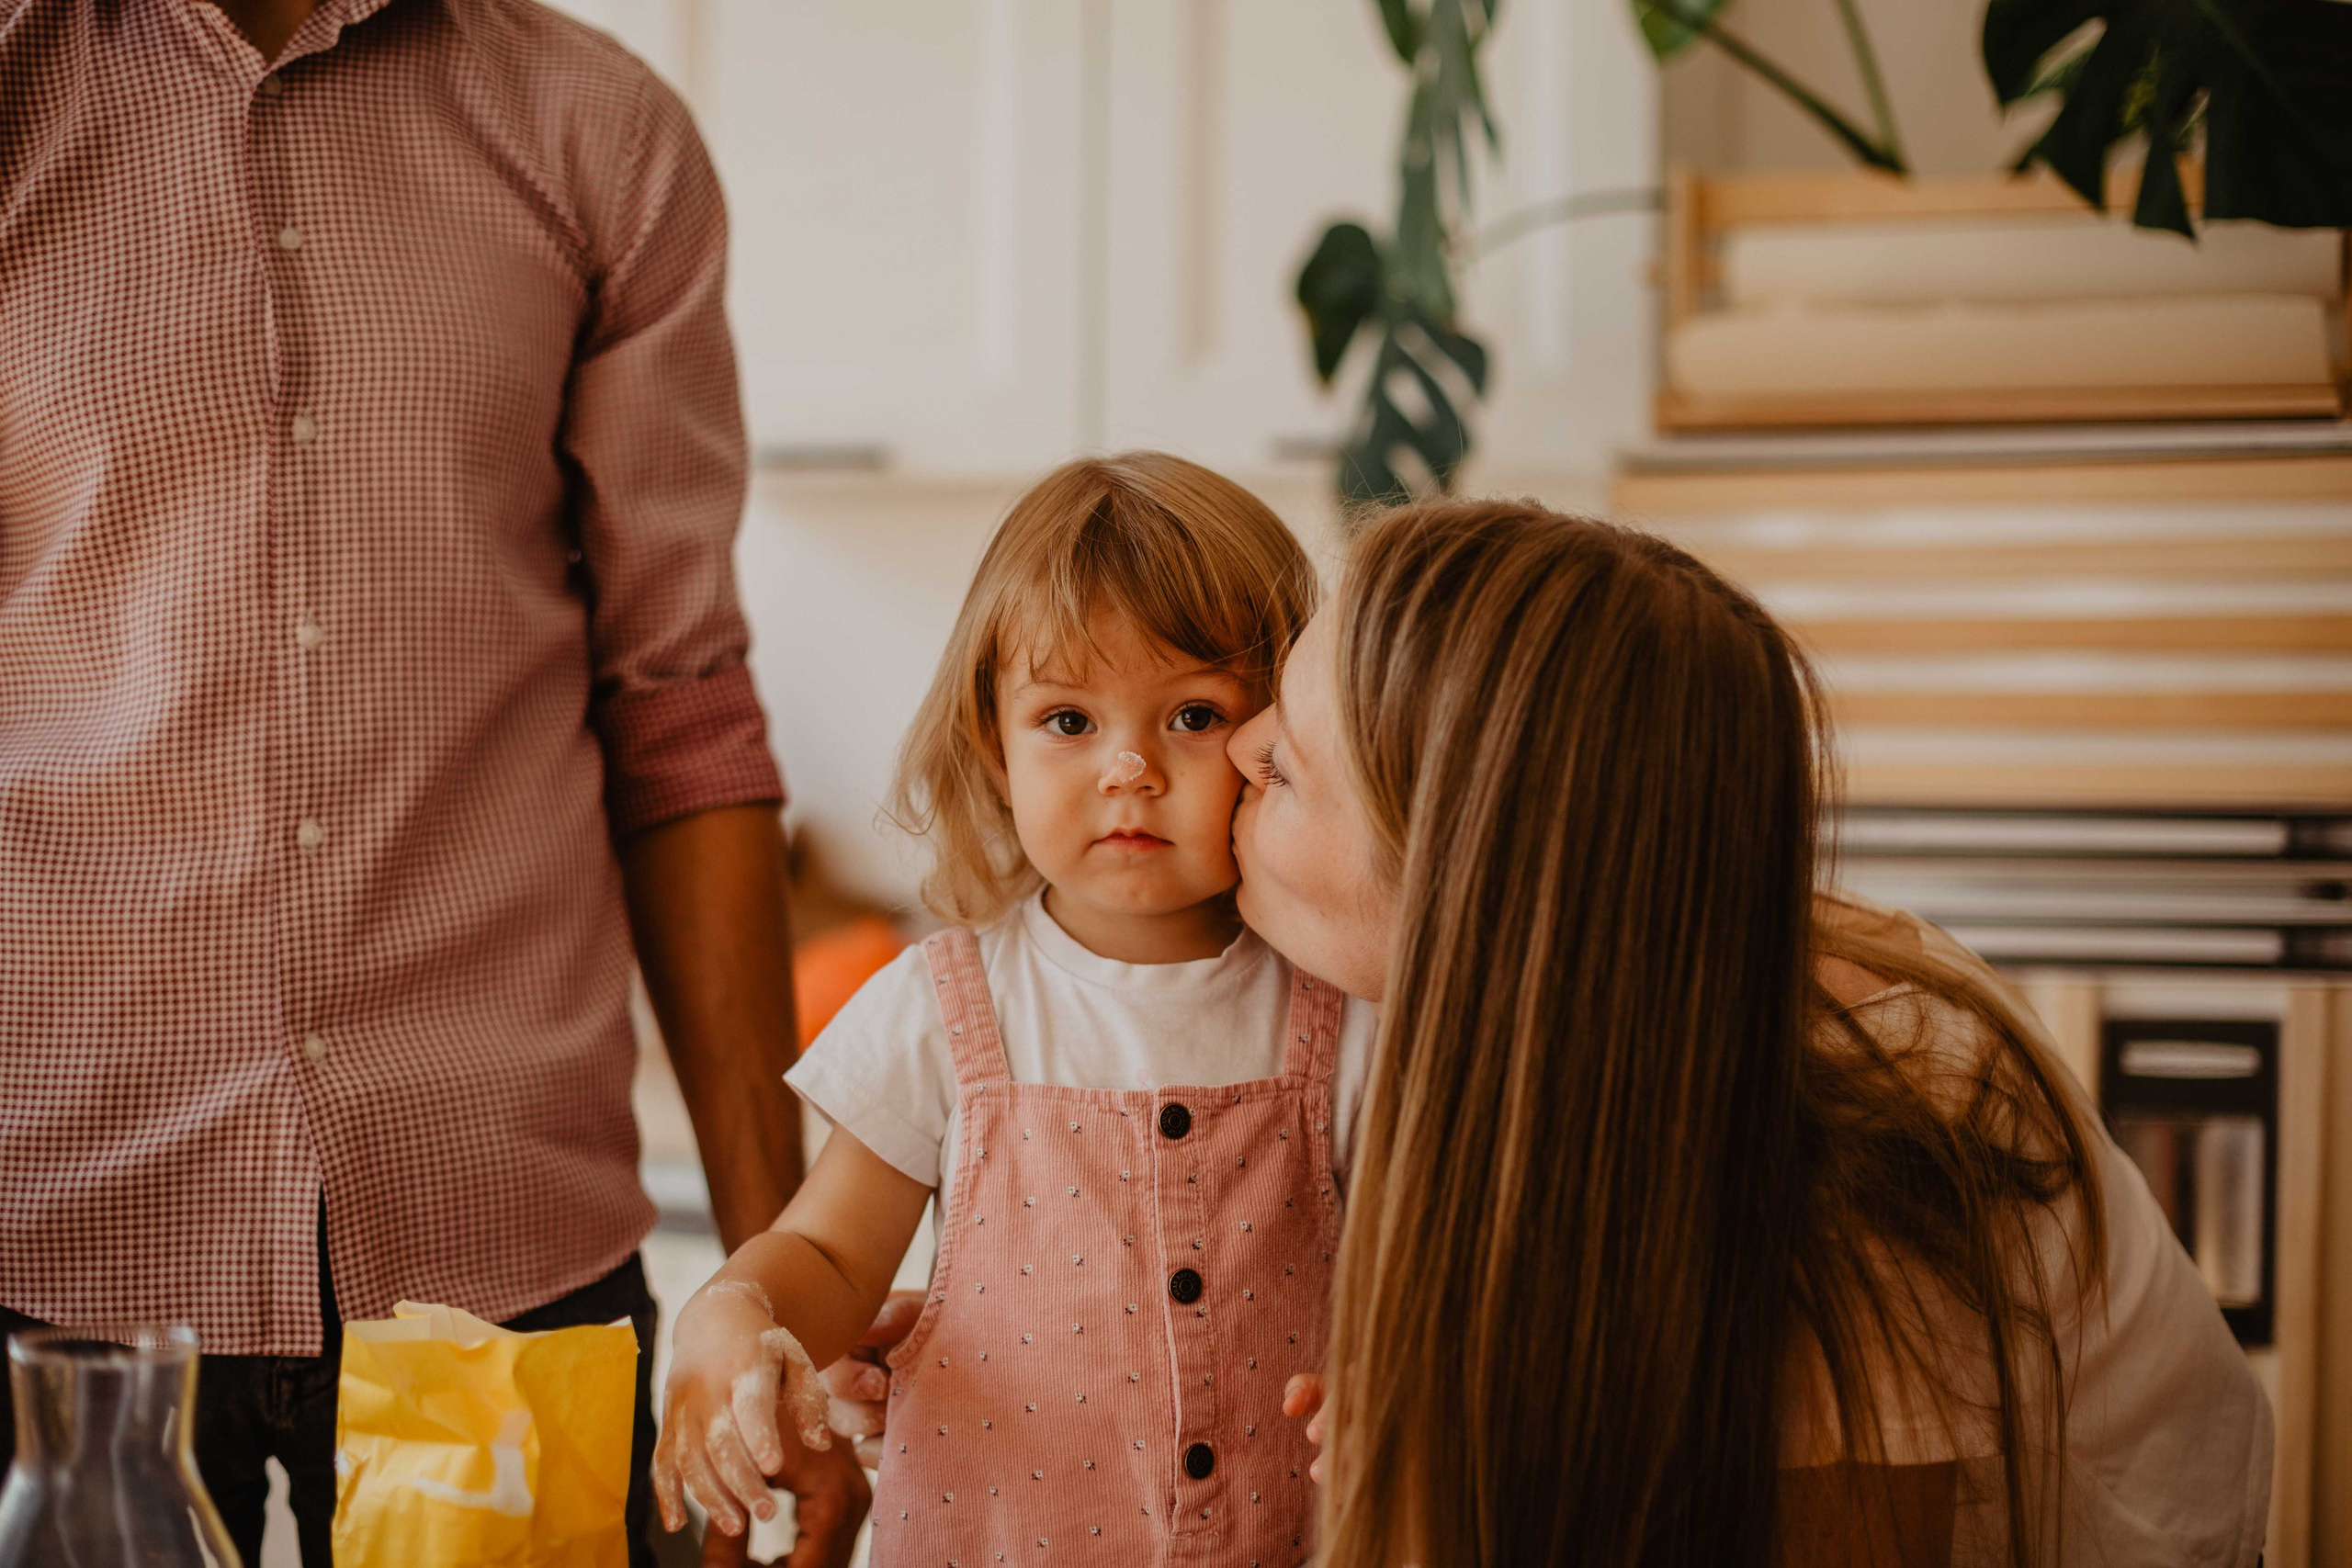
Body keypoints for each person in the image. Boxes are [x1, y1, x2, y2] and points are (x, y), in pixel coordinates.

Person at [832, 498, 2273, 1566]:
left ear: (1464, 867)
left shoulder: (1862, 1132)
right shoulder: (1511, 1026)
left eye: (1293, 761)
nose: (1237, 756)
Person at [0, 1, 865, 1564]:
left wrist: (775, 1292)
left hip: (502, 1260)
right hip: (55, 1260)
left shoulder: (597, 134)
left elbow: (681, 715)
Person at [652, 454, 1374, 1568]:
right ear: (993, 744)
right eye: (1068, 721)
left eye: (1190, 714)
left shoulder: (1343, 1012)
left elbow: (1418, 1271)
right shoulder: (938, 1012)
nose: (1127, 768)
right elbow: (832, 1258)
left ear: (1275, 744)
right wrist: (735, 1309)